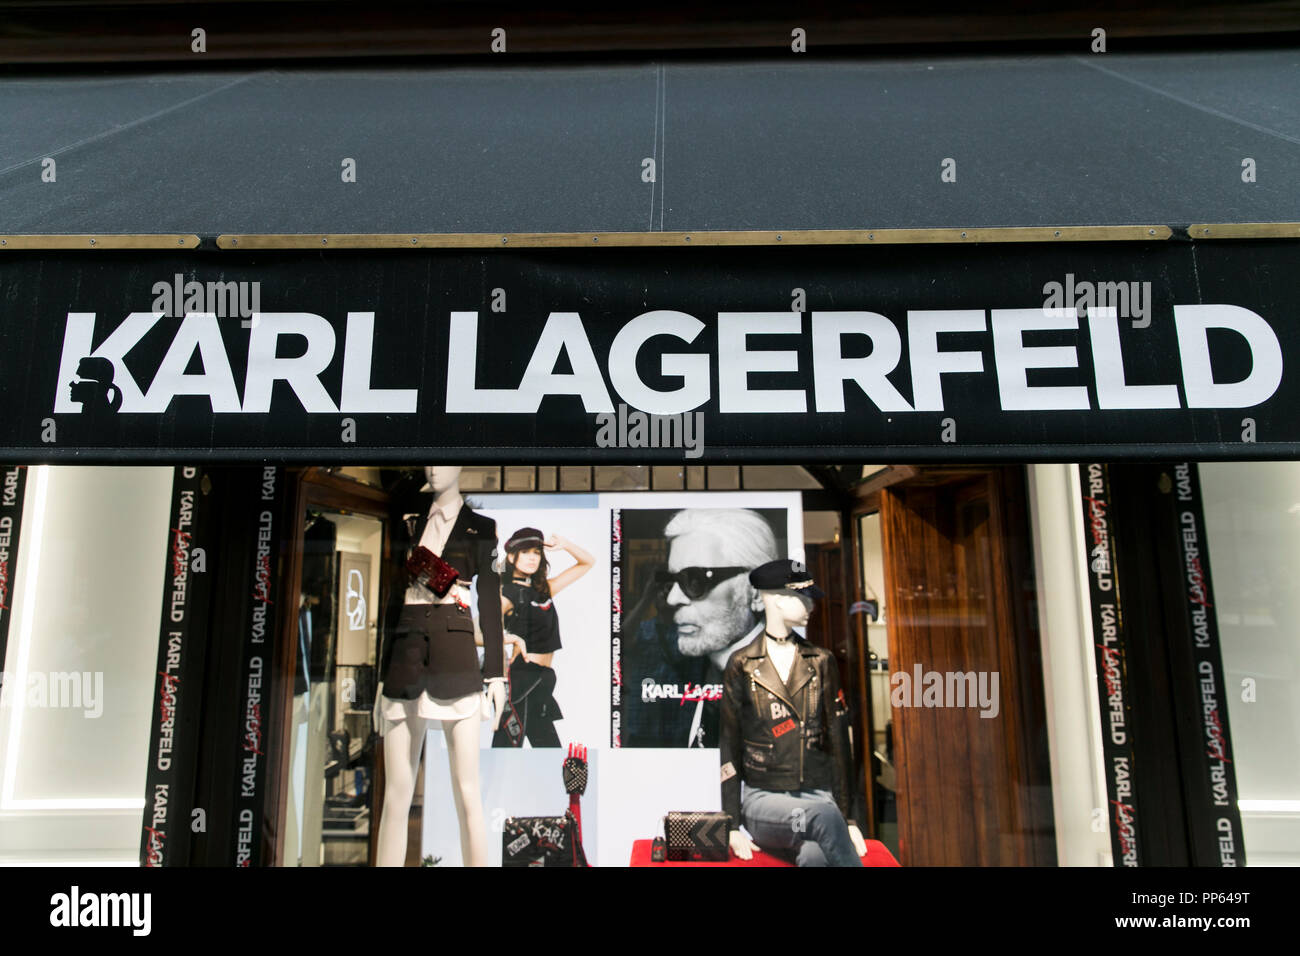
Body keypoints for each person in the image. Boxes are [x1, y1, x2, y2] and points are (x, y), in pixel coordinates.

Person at [372, 466, 506, 866]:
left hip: (456, 661)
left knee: (467, 792)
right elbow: (392, 600)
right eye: (429, 459)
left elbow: (490, 606)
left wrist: (496, 673)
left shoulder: (481, 528)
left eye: (444, 460)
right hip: (405, 659)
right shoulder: (409, 522)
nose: (434, 468)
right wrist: (382, 677)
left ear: (461, 466)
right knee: (396, 794)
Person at [720, 559, 867, 867]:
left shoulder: (821, 661)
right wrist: (732, 824)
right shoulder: (742, 665)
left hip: (818, 796)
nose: (810, 605)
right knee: (824, 817)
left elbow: (840, 744)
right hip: (765, 802)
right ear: (773, 599)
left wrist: (850, 819)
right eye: (802, 597)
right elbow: (729, 746)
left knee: (814, 855)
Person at [623, 508, 779, 748]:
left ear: (756, 591)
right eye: (672, 581)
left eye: (695, 580)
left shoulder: (785, 683)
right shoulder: (697, 670)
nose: (673, 599)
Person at [492, 527, 594, 748]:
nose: (532, 558)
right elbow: (477, 631)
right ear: (511, 556)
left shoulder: (544, 589)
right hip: (522, 681)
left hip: (543, 680)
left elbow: (588, 562)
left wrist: (565, 543)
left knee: (550, 753)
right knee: (507, 751)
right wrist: (511, 639)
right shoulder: (507, 593)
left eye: (537, 552)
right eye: (526, 552)